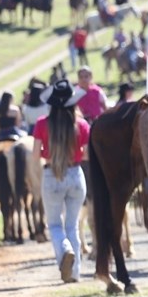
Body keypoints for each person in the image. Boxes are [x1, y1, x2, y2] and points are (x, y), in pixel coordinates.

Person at [32, 79, 89, 283]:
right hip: (75, 174)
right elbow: (87, 156)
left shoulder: (41, 124)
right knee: (72, 225)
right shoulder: (81, 125)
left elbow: (34, 155)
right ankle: (75, 273)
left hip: (51, 175)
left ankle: (64, 250)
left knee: (55, 224)